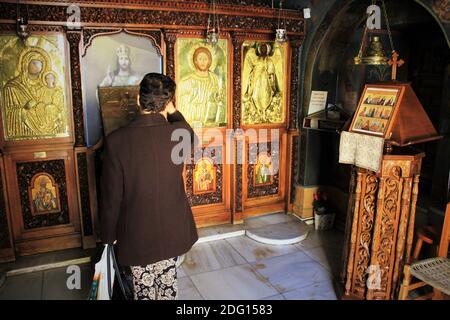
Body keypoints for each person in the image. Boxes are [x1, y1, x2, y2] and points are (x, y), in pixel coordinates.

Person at [100, 73, 198, 300]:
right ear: (168, 102)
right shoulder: (179, 134)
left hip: (136, 233)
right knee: (167, 286)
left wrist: (108, 236)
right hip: (172, 230)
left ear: (138, 100)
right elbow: (190, 133)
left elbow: (111, 198)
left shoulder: (116, 141)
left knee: (143, 290)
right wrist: (172, 110)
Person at [178, 46, 223, 125]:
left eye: (205, 59)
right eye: (200, 59)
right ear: (195, 61)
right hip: (193, 117)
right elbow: (182, 103)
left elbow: (221, 99)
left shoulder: (215, 80)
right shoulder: (187, 81)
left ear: (210, 61)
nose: (203, 62)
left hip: (210, 118)